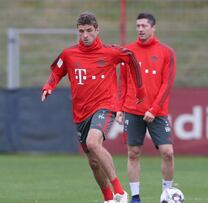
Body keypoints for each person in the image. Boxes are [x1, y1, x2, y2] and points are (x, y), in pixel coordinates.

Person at [41, 12, 145, 203]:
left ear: (97, 30)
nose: (85, 35)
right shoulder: (69, 54)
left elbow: (131, 57)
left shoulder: (110, 52)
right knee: (94, 162)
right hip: (81, 113)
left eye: (89, 31)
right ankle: (108, 199)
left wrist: (140, 90)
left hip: (105, 106)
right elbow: (56, 72)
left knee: (93, 142)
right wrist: (49, 86)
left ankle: (120, 192)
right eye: (81, 31)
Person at [118, 13, 176, 203]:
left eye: (144, 25)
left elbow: (167, 83)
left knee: (168, 152)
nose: (140, 29)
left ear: (153, 28)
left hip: (157, 112)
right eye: (138, 26)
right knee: (133, 152)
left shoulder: (166, 52)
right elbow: (124, 82)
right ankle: (135, 197)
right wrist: (119, 108)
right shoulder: (128, 51)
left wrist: (154, 108)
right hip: (132, 110)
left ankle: (166, 194)